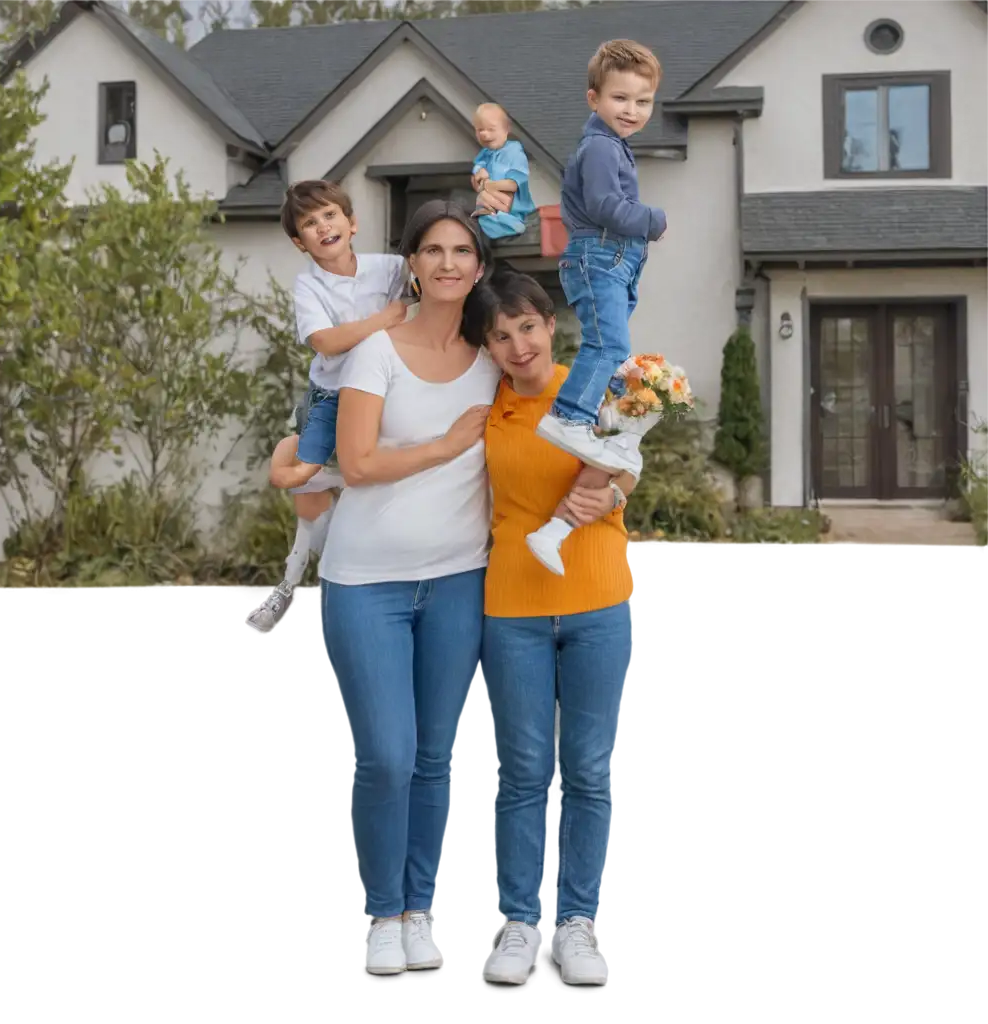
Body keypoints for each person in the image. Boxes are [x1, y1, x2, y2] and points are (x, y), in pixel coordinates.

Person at [318, 200, 501, 975]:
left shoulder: (496, 358)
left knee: (433, 755)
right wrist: (446, 444)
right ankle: (380, 914)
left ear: (480, 267)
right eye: (433, 250)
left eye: (463, 250)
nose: (449, 263)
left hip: (458, 579)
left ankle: (419, 909)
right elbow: (356, 465)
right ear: (412, 265)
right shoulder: (376, 354)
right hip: (368, 582)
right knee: (387, 755)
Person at [464, 267, 638, 987]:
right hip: (514, 609)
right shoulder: (486, 413)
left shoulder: (595, 386)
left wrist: (616, 491)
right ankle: (515, 925)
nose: (517, 345)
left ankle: (578, 925)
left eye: (526, 327)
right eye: (500, 336)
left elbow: (628, 464)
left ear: (550, 325)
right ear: (488, 347)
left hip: (598, 602)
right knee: (523, 771)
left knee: (589, 769)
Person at [246, 180, 412, 632]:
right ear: (300, 242)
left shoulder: (390, 268)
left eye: (330, 215)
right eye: (310, 223)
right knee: (297, 478)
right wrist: (382, 320)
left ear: (352, 222)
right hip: (332, 395)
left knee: (382, 478)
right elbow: (325, 342)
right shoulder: (309, 285)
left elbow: (434, 276)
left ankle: (363, 555)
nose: (323, 227)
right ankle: (293, 579)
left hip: (384, 392)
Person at [535, 39, 668, 479]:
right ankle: (570, 417)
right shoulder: (600, 147)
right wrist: (653, 219)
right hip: (600, 254)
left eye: (643, 101)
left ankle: (602, 421)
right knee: (607, 344)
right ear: (594, 98)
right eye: (620, 98)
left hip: (613, 259)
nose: (632, 109)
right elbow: (604, 204)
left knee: (616, 351)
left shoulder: (612, 145)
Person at [469, 103, 536, 240]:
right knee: (480, 220)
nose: (484, 134)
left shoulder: (514, 152)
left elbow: (513, 184)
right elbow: (477, 170)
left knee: (490, 220)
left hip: (514, 210)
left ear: (506, 129)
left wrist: (488, 185)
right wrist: (479, 172)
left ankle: (514, 224)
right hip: (492, 209)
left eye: (490, 129)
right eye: (479, 130)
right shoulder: (485, 154)